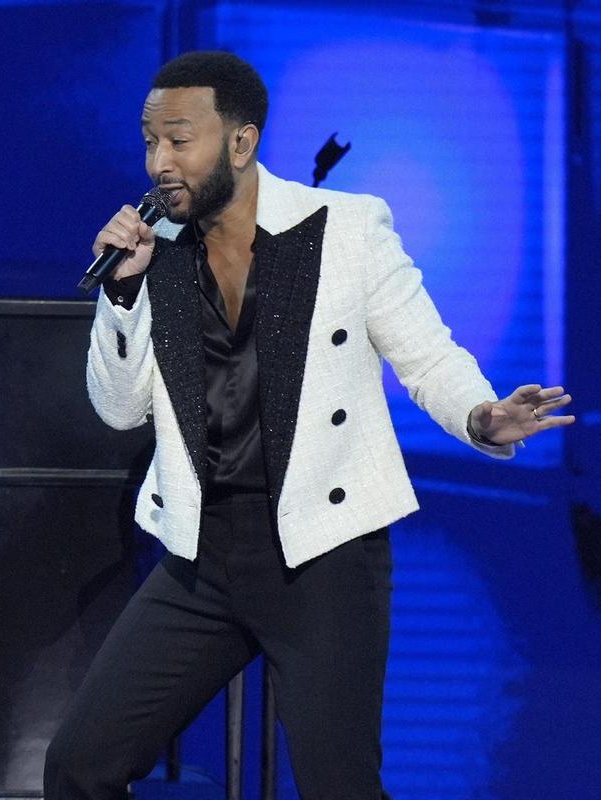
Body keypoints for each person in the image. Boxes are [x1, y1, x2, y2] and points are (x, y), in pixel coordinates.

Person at [44, 51, 575, 799]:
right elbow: (119, 407)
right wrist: (123, 300)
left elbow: (428, 359)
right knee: (77, 766)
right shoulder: (154, 254)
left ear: (240, 142)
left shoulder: (345, 231)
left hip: (323, 558)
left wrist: (483, 417)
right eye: (149, 141)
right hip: (203, 554)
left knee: (339, 788)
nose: (160, 161)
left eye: (179, 140)